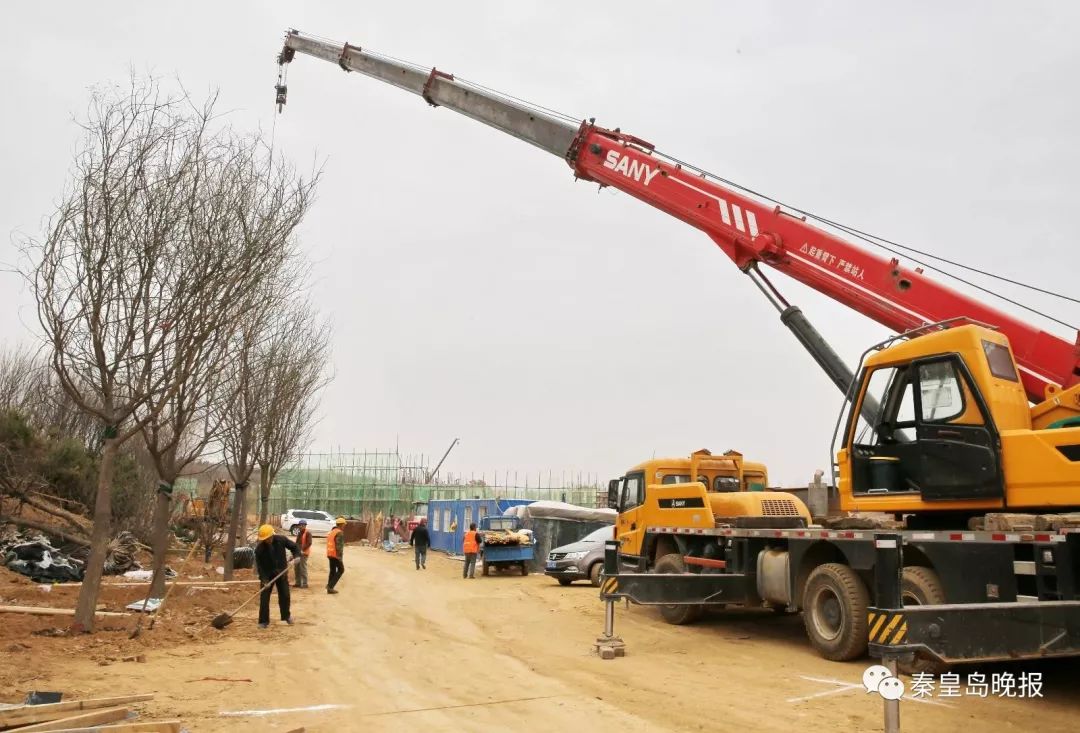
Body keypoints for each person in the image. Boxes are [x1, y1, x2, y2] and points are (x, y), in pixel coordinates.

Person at [254, 524, 300, 628]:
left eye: (269, 538)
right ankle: (263, 621)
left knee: (285, 595)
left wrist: (296, 556)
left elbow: (295, 547)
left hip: (282, 572)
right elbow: (260, 568)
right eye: (265, 539)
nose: (267, 540)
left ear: (272, 535)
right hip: (267, 574)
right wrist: (264, 580)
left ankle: (286, 616)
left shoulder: (281, 540)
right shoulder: (259, 550)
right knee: (264, 597)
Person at [326, 516, 347, 594]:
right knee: (341, 570)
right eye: (344, 525)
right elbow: (339, 546)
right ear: (341, 525)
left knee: (332, 571)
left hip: (330, 554)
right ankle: (330, 586)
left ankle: (329, 588)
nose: (344, 526)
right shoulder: (339, 533)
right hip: (335, 555)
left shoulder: (332, 531)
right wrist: (340, 557)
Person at [292, 519, 312, 588]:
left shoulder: (308, 533)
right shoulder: (300, 533)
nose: (301, 526)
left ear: (305, 526)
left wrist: (302, 550)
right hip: (298, 552)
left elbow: (309, 543)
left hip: (304, 553)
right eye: (300, 525)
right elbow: (297, 543)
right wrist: (295, 551)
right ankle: (298, 583)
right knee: (296, 567)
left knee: (302, 568)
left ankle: (305, 583)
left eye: (302, 525)